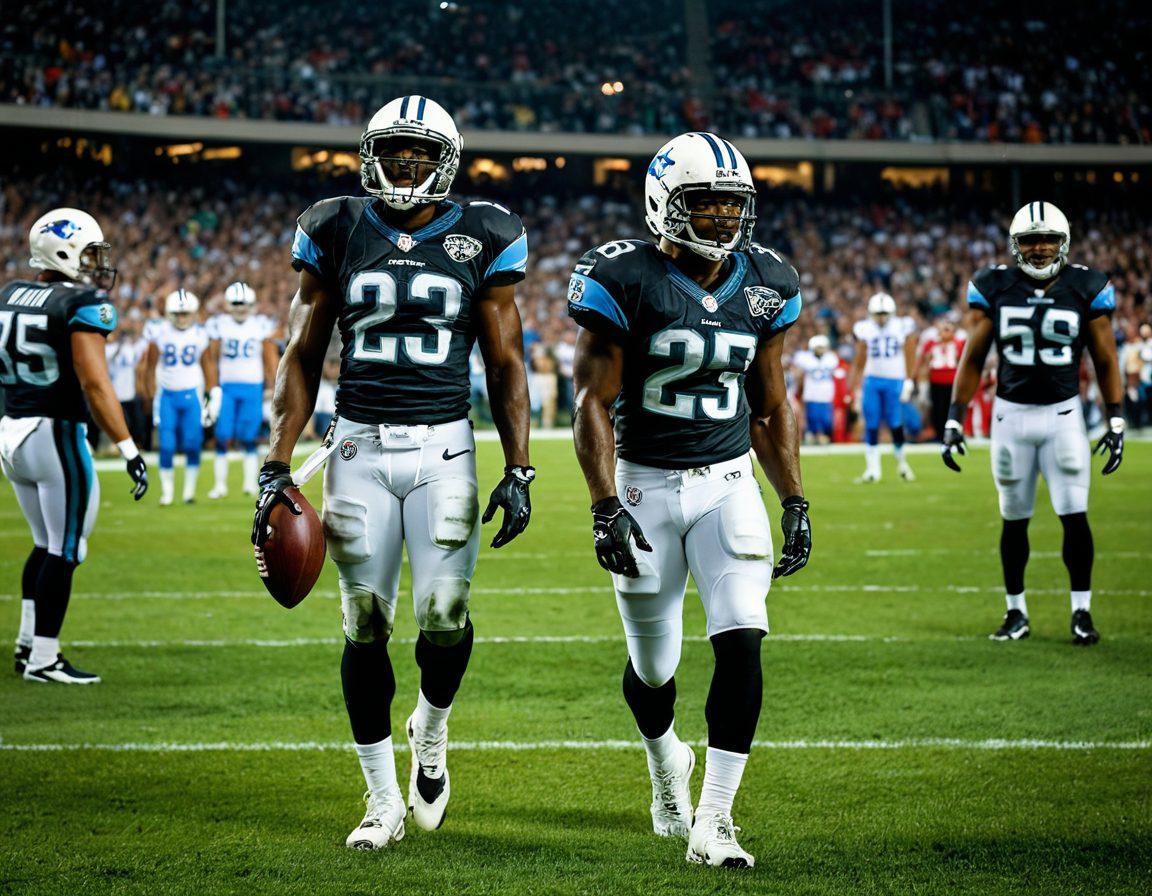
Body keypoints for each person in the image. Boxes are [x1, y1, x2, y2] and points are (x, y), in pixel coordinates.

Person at [250, 95, 534, 850]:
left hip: (446, 446)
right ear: (371, 153)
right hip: (358, 450)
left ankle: (431, 730)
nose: (405, 164)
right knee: (363, 621)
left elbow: (506, 361)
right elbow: (301, 352)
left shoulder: (486, 232)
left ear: (447, 159)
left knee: (444, 616)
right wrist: (276, 463)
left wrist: (521, 466)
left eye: (419, 152)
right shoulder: (336, 225)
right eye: (394, 150)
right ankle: (381, 800)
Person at [569, 132, 812, 870]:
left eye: (731, 205)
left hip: (728, 481)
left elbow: (769, 409)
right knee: (653, 670)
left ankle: (716, 820)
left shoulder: (767, 279)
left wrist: (794, 498)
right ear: (663, 204)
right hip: (643, 483)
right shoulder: (625, 277)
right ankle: (663, 762)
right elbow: (590, 402)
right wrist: (604, 504)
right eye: (703, 203)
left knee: (743, 633)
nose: (720, 220)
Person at [941, 201, 1125, 645]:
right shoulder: (995, 285)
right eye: (1030, 240)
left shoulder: (1086, 286)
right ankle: (1015, 612)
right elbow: (973, 358)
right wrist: (954, 418)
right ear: (1014, 244)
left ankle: (1081, 612)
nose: (1040, 248)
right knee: (1014, 518)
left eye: (1048, 240)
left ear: (1064, 243)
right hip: (1010, 417)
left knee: (1074, 515)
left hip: (1064, 417)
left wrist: (1116, 419)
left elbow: (1105, 357)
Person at [0, 208, 148, 684]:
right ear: (62, 251)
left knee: (45, 545)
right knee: (65, 549)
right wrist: (128, 448)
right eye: (87, 251)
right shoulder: (79, 303)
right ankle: (45, 658)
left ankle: (27, 645)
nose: (94, 262)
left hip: (12, 431)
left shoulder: (8, 295)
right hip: (55, 434)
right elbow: (96, 384)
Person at [139, 290, 217, 505]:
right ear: (169, 313)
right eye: (178, 314)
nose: (182, 318)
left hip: (192, 393)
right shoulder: (159, 332)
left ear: (193, 313)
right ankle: (167, 492)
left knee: (193, 444)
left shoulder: (201, 334)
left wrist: (213, 391)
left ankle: (189, 492)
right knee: (167, 445)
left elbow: (207, 363)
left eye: (185, 314)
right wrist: (148, 393)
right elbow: (150, 367)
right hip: (166, 396)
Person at [206, 282, 277, 498]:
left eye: (244, 303)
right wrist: (212, 387)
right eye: (236, 303)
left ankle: (249, 483)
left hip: (252, 387)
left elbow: (268, 356)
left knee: (249, 437)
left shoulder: (260, 325)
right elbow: (211, 357)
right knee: (222, 436)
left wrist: (272, 384)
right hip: (227, 387)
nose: (240, 307)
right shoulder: (219, 324)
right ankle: (220, 485)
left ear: (252, 304)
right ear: (228, 304)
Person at [848, 292, 918, 481]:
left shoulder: (902, 326)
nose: (881, 317)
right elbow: (860, 358)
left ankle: (902, 464)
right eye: (878, 313)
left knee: (896, 424)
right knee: (871, 424)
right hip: (872, 381)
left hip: (895, 380)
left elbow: (910, 353)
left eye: (884, 313)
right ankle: (873, 470)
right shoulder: (865, 328)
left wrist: (909, 380)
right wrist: (855, 386)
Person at [793, 334, 839, 444]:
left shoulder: (831, 358)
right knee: (813, 419)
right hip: (812, 395)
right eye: (818, 347)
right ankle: (815, 437)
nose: (820, 349)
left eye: (822, 347)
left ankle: (822, 437)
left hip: (826, 395)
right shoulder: (805, 358)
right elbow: (797, 369)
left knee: (827, 421)